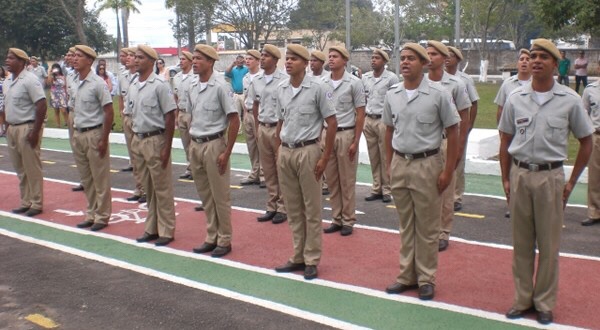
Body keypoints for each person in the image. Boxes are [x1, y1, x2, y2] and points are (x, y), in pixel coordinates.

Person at [499, 39, 593, 325]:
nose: (536, 61)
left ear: (556, 64)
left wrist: (570, 182)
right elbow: (505, 140)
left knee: (549, 246)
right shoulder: (516, 98)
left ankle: (544, 302)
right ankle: (523, 297)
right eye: (534, 56)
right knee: (522, 243)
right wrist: (505, 178)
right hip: (521, 174)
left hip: (551, 177)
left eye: (544, 57)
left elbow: (586, 141)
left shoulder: (570, 100)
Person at [383, 43, 459, 301]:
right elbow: (388, 131)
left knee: (427, 227)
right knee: (406, 225)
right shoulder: (392, 93)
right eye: (402, 58)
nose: (405, 62)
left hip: (428, 163)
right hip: (400, 163)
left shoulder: (438, 94)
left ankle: (426, 278)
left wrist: (448, 170)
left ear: (423, 63)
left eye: (411, 59)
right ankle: (406, 276)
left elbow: (454, 130)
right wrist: (388, 165)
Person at [273, 44, 337, 280]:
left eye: (293, 59)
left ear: (304, 62)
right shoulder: (281, 88)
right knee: (292, 207)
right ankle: (297, 255)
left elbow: (332, 123)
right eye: (287, 59)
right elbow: (281, 121)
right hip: (287, 151)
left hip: (309, 150)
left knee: (312, 208)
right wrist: (278, 149)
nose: (288, 62)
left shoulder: (318, 88)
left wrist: (325, 156)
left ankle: (311, 258)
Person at [187, 44, 240, 258]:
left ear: (210, 61)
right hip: (196, 144)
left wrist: (226, 151)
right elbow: (192, 116)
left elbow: (234, 120)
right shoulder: (192, 86)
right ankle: (212, 235)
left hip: (214, 144)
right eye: (194, 58)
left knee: (220, 196)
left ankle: (224, 239)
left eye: (199, 58)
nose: (195, 62)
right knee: (205, 195)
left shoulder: (221, 86)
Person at [129, 45, 177, 247]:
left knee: (162, 188)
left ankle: (166, 229)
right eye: (135, 57)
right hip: (139, 139)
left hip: (155, 140)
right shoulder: (133, 84)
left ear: (151, 61)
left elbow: (169, 116)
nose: (136, 60)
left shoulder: (159, 85)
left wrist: (166, 147)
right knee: (148, 188)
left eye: (140, 57)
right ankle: (152, 227)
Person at [426, 40, 471, 252]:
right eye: (427, 53)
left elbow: (464, 117)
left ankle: (443, 232)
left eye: (434, 54)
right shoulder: (420, 82)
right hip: (425, 144)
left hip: (445, 142)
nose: (429, 57)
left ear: (444, 59)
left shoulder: (456, 85)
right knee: (426, 189)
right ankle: (428, 229)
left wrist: (459, 147)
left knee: (446, 189)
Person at [321, 46, 366, 237]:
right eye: (329, 56)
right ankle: (336, 218)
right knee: (332, 180)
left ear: (345, 60)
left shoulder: (354, 83)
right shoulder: (322, 83)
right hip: (326, 134)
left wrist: (356, 140)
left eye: (335, 57)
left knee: (346, 180)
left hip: (346, 133)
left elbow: (360, 114)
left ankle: (348, 219)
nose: (331, 59)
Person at [70, 45, 114, 232]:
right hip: (79, 133)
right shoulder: (73, 81)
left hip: (94, 133)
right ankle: (91, 212)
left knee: (99, 177)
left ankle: (102, 216)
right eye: (74, 56)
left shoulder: (97, 83)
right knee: (86, 178)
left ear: (89, 60)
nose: (74, 59)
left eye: (79, 56)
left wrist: (104, 138)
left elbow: (109, 111)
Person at [3, 48, 48, 217]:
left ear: (21, 62)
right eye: (7, 58)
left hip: (27, 127)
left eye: (11, 58)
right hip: (12, 128)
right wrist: (7, 127)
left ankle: (36, 203)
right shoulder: (8, 81)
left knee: (32, 168)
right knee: (20, 168)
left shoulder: (30, 80)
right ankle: (25, 201)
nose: (7, 61)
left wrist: (35, 131)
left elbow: (41, 104)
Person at [248, 45, 288, 224]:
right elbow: (256, 104)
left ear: (275, 59)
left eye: (266, 56)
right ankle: (271, 205)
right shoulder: (256, 80)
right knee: (269, 170)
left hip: (279, 128)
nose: (262, 58)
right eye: (261, 55)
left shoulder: (284, 79)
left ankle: (283, 207)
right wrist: (257, 126)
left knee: (281, 169)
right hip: (263, 128)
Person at [494, 49, 531, 218]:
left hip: (529, 135)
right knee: (509, 169)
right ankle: (511, 203)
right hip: (511, 133)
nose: (524, 62)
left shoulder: (537, 83)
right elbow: (500, 109)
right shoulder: (508, 84)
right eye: (521, 59)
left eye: (527, 59)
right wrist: (501, 131)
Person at [361, 49, 399, 204]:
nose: (373, 60)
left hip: (384, 121)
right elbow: (363, 98)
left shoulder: (391, 78)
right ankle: (376, 187)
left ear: (384, 61)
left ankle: (387, 189)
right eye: (372, 57)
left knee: (385, 155)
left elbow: (396, 100)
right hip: (369, 119)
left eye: (377, 58)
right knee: (373, 155)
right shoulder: (365, 77)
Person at [446, 46, 480, 212]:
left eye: (451, 55)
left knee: (458, 162)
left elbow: (473, 103)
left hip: (459, 125)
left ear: (458, 60)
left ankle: (456, 196)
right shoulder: (437, 78)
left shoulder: (464, 80)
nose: (447, 57)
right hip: (440, 127)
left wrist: (469, 126)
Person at [119, 47, 146, 203]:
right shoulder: (123, 76)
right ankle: (139, 188)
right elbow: (121, 96)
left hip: (139, 119)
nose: (128, 58)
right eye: (127, 56)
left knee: (143, 157)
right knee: (134, 156)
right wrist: (122, 112)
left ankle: (147, 189)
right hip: (128, 117)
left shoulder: (141, 77)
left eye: (131, 56)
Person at [239, 49, 262, 187]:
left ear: (258, 61)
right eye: (246, 59)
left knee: (262, 145)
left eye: (251, 59)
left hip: (259, 114)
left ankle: (264, 174)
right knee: (251, 145)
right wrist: (244, 113)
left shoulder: (262, 77)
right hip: (248, 113)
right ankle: (255, 173)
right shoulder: (246, 78)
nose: (247, 61)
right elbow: (245, 97)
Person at [172, 51, 196, 180]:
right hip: (181, 112)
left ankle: (196, 168)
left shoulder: (195, 77)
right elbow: (176, 97)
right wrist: (176, 117)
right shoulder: (176, 78)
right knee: (186, 143)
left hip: (192, 113)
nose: (181, 61)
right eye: (180, 59)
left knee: (194, 143)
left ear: (190, 61)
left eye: (183, 59)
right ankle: (189, 167)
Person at [581, 77, 600, 226]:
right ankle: (594, 212)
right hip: (597, 136)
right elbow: (583, 113)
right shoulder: (590, 89)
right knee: (595, 176)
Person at [46, 64, 68, 128]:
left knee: (64, 110)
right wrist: (50, 74)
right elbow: (49, 83)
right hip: (54, 94)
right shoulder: (52, 77)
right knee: (56, 111)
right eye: (54, 68)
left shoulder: (63, 76)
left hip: (62, 94)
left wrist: (66, 94)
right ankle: (58, 125)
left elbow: (65, 86)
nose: (55, 69)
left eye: (56, 68)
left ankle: (67, 122)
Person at [0, 66, 7, 137]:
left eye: (0, 70)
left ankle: (6, 130)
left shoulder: (5, 80)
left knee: (5, 114)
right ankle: (1, 130)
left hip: (4, 98)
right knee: (0, 115)